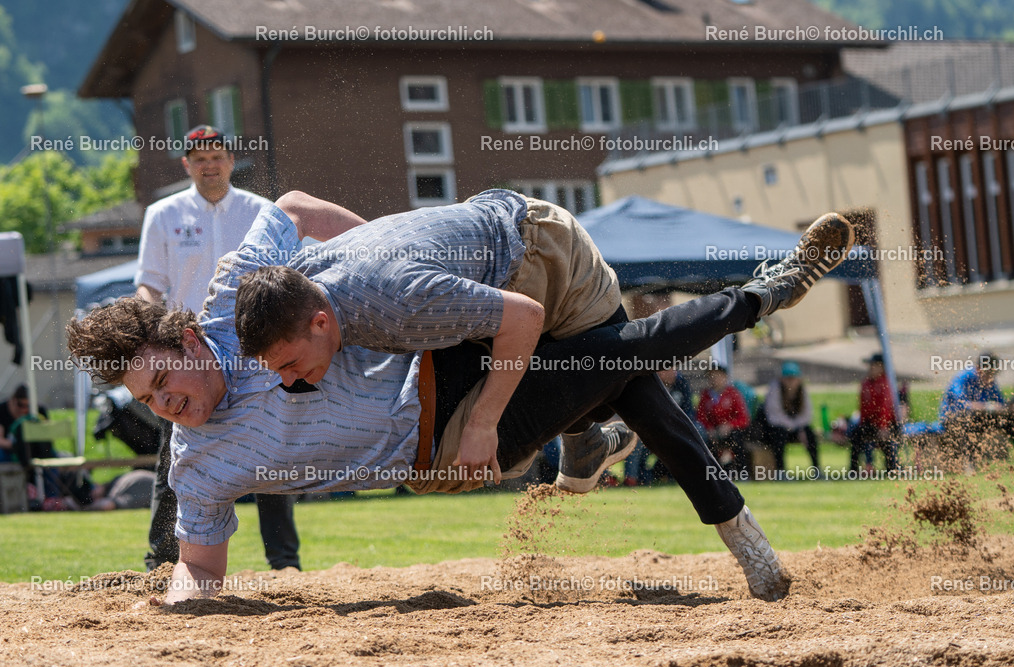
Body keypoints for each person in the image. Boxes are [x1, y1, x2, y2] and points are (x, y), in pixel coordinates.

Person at [68, 203, 854, 605]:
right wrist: (179, 598)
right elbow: (200, 570)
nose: (166, 407)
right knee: (615, 367)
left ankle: (759, 295)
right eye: (147, 402)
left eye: (166, 385)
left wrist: (376, 253)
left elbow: (295, 204)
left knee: (619, 359)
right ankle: (601, 434)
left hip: (448, 356)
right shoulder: (195, 462)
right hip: (440, 446)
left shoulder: (238, 300)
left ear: (195, 344)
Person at [233, 188, 634, 493]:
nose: (287, 380)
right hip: (497, 245)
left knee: (616, 368)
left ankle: (603, 443)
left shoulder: (400, 306)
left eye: (287, 365)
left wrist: (483, 423)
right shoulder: (303, 280)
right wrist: (383, 251)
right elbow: (293, 204)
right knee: (552, 373)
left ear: (319, 324)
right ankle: (587, 446)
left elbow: (526, 317)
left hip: (535, 247)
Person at [133, 125, 323, 571]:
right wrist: (153, 331)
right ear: (187, 165)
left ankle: (284, 563)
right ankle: (160, 562)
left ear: (231, 160)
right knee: (175, 459)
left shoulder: (262, 212)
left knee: (270, 454)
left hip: (255, 353)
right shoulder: (164, 214)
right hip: (187, 358)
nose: (209, 165)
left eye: (216, 156)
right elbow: (148, 285)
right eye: (199, 159)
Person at [939, 351, 1012, 463]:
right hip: (953, 418)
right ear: (979, 369)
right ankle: (969, 462)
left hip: (978, 417)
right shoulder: (962, 378)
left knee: (1010, 418)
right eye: (988, 373)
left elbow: (1001, 403)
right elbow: (962, 404)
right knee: (970, 418)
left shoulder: (990, 382)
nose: (990, 377)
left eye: (993, 373)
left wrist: (1001, 408)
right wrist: (987, 406)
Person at [761, 361, 819, 475]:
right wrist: (794, 427)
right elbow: (774, 415)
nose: (791, 382)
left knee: (809, 434)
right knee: (779, 434)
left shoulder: (802, 391)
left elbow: (806, 414)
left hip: (795, 428)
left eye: (793, 378)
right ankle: (781, 471)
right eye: (788, 378)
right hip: (775, 428)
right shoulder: (774, 389)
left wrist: (800, 428)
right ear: (782, 379)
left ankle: (817, 470)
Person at [849, 353, 900, 472]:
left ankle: (892, 468)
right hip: (870, 424)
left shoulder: (886, 383)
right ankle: (855, 469)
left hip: (887, 424)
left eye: (874, 365)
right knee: (856, 435)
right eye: (870, 365)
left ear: (882, 367)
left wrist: (883, 426)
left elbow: (885, 407)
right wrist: (861, 424)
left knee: (889, 442)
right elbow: (863, 407)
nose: (871, 368)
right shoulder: (866, 383)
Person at [697, 366, 752, 475]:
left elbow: (744, 419)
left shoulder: (733, 394)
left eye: (717, 376)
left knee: (735, 438)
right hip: (714, 432)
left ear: (725, 377)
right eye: (711, 376)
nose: (714, 379)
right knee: (705, 441)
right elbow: (700, 417)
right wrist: (709, 429)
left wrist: (729, 425)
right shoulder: (706, 395)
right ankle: (713, 473)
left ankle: (741, 472)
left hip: (733, 431)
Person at [0, 384, 32, 462]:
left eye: (27, 406)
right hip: (8, 451)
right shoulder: (2, 410)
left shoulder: (37, 410)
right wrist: (17, 445)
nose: (24, 409)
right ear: (13, 400)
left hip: (33, 450)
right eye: (20, 405)